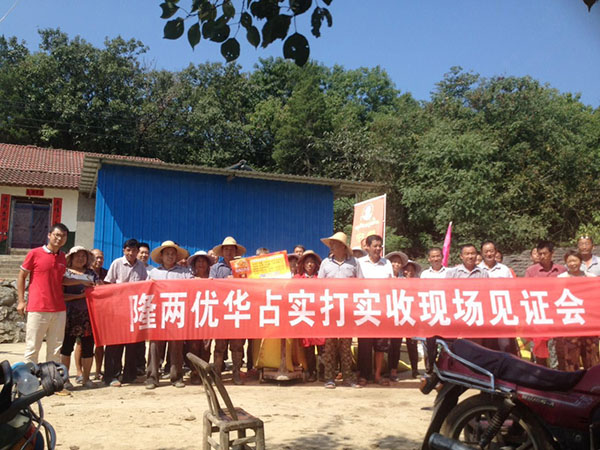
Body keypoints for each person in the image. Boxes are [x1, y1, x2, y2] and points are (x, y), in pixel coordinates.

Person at [17, 223, 84, 364]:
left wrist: (82, 281)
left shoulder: (63, 257)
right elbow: (22, 276)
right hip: (38, 308)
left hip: (59, 309)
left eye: (63, 236)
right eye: (57, 235)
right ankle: (30, 377)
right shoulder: (34, 253)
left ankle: (52, 376)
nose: (59, 238)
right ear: (49, 235)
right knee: (33, 347)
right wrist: (21, 301)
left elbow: (62, 280)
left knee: (55, 349)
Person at [145, 241, 191, 389]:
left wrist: (205, 281)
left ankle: (176, 377)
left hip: (176, 313)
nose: (170, 256)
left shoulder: (184, 273)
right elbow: (145, 291)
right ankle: (152, 377)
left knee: (176, 346)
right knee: (154, 346)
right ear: (161, 256)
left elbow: (194, 287)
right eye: (167, 254)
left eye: (173, 254)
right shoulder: (153, 273)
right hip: (158, 314)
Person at [318, 231, 361, 389]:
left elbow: (361, 284)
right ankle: (329, 378)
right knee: (330, 345)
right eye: (331, 244)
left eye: (335, 244)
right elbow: (318, 286)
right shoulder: (325, 263)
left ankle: (347, 378)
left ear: (343, 247)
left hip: (347, 309)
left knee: (345, 345)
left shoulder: (354, 263)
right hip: (330, 309)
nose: (332, 247)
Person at [103, 238, 148, 387]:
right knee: (115, 345)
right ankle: (111, 376)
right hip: (117, 310)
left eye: (134, 250)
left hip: (134, 311)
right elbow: (108, 284)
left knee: (132, 345)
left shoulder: (141, 266)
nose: (131, 253)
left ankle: (130, 375)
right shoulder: (117, 263)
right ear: (124, 250)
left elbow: (145, 286)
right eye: (128, 250)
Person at [356, 235, 394, 386]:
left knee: (381, 345)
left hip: (382, 308)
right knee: (364, 345)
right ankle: (364, 375)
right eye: (375, 246)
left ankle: (378, 375)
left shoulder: (387, 263)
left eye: (380, 246)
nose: (378, 249)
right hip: (365, 308)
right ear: (367, 247)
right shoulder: (359, 263)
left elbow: (391, 284)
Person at [210, 236, 247, 385]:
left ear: (236, 251)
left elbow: (250, 285)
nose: (229, 251)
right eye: (226, 249)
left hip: (237, 310)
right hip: (221, 311)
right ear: (222, 251)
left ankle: (236, 373)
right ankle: (217, 374)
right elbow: (211, 287)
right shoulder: (215, 268)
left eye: (232, 249)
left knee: (237, 346)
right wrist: (226, 282)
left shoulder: (243, 266)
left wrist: (238, 280)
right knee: (220, 346)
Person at [60, 246, 98, 390]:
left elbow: (100, 290)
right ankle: (65, 380)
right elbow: (61, 296)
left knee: (88, 348)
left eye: (83, 256)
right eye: (77, 256)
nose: (80, 258)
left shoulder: (91, 273)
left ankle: (86, 379)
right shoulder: (65, 273)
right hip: (69, 316)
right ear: (71, 258)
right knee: (66, 348)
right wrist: (79, 296)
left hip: (88, 317)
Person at [555, 250, 599, 371]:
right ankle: (573, 379)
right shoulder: (560, 279)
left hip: (589, 322)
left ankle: (593, 378)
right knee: (571, 355)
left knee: (591, 354)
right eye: (569, 261)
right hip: (571, 322)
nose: (572, 263)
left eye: (575, 260)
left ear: (580, 261)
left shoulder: (591, 277)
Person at [525, 240, 566, 367]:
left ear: (552, 253)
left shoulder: (561, 270)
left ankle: (558, 374)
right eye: (540, 254)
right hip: (539, 315)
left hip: (557, 316)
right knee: (538, 350)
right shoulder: (531, 271)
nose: (542, 256)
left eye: (545, 253)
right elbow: (525, 292)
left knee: (557, 349)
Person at [478, 241, 518, 354]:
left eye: (491, 251)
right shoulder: (477, 270)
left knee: (505, 345)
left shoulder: (504, 270)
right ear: (481, 253)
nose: (489, 254)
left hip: (502, 311)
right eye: (486, 251)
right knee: (487, 345)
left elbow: (513, 289)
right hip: (484, 313)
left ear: (495, 252)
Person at [386, 251, 419, 380]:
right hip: (395, 315)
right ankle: (392, 370)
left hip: (410, 315)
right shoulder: (387, 278)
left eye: (399, 262)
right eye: (394, 262)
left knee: (412, 343)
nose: (396, 264)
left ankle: (415, 369)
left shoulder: (410, 281)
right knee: (394, 344)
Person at [294, 250, 323, 382]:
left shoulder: (321, 279)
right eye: (307, 262)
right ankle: (311, 371)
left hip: (319, 317)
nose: (310, 265)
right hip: (304, 317)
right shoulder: (297, 279)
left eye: (312, 262)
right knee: (308, 346)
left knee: (322, 345)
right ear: (303, 264)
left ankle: (322, 372)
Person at [185, 251, 212, 383]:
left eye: (203, 261)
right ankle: (194, 371)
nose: (201, 264)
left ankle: (204, 371)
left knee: (206, 345)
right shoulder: (188, 280)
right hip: (193, 316)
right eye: (198, 261)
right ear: (194, 264)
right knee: (194, 345)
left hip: (208, 315)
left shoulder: (213, 279)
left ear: (208, 264)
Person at [89, 248, 107, 380]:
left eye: (101, 258)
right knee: (82, 344)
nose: (99, 260)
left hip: (102, 311)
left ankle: (98, 371)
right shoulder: (84, 272)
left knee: (100, 343)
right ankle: (80, 372)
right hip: (85, 311)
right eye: (96, 257)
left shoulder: (106, 273)